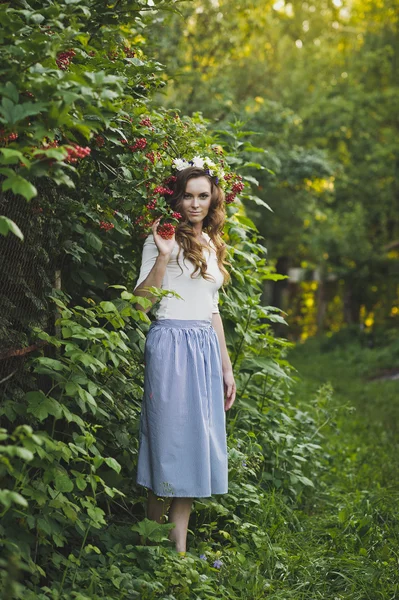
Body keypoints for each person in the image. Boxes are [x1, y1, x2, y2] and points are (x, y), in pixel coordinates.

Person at [133, 165, 236, 555]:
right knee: (168, 443)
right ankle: (149, 542)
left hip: (205, 348)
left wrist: (226, 368)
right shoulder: (161, 239)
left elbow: (212, 310)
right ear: (177, 197)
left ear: (213, 200)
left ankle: (177, 552)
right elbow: (141, 306)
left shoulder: (211, 242)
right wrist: (162, 257)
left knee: (194, 444)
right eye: (188, 195)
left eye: (203, 196)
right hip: (171, 344)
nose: (195, 204)